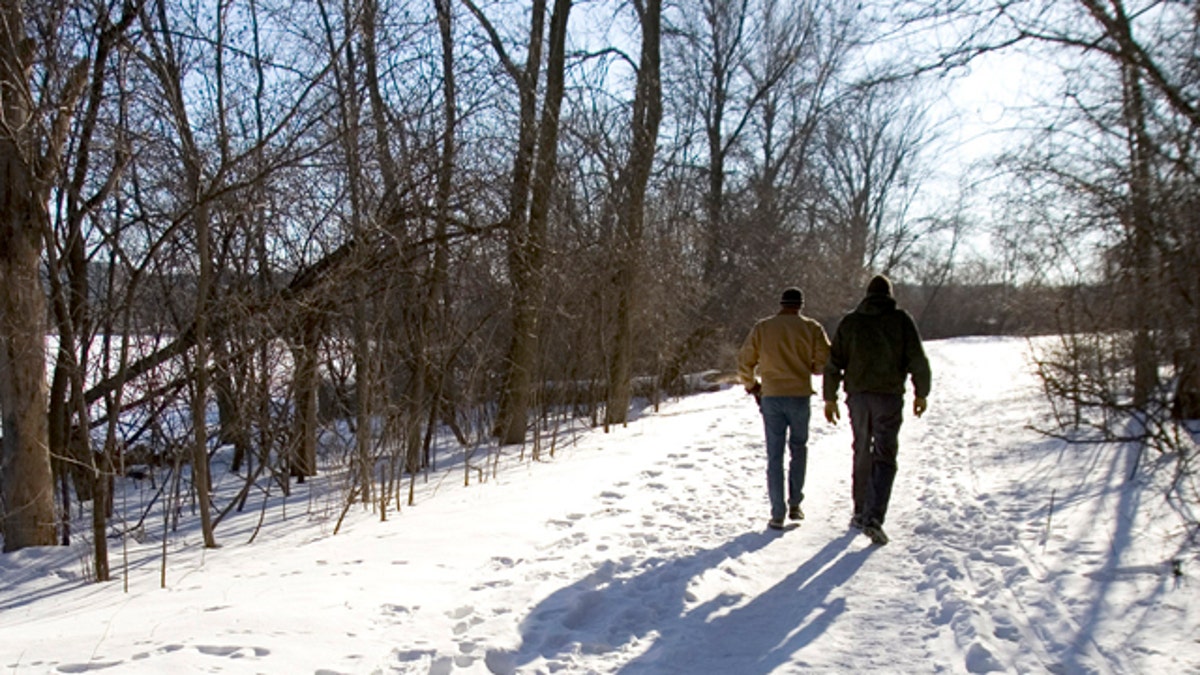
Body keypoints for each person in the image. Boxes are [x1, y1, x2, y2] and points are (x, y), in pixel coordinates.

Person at [823, 274, 931, 546]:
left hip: (858, 397)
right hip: (888, 396)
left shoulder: (851, 322)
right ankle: (874, 517)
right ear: (889, 295)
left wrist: (830, 398)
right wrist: (921, 392)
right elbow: (917, 358)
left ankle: (860, 511)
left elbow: (834, 362)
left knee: (861, 449)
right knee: (885, 453)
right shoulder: (901, 321)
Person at [738, 287, 831, 531]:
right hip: (799, 395)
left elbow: (745, 361)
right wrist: (811, 367)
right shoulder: (812, 328)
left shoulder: (763, 328)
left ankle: (777, 513)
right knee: (799, 449)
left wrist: (752, 385)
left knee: (775, 455)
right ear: (801, 305)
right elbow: (824, 362)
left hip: (771, 396)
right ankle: (795, 504)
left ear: (781, 304)